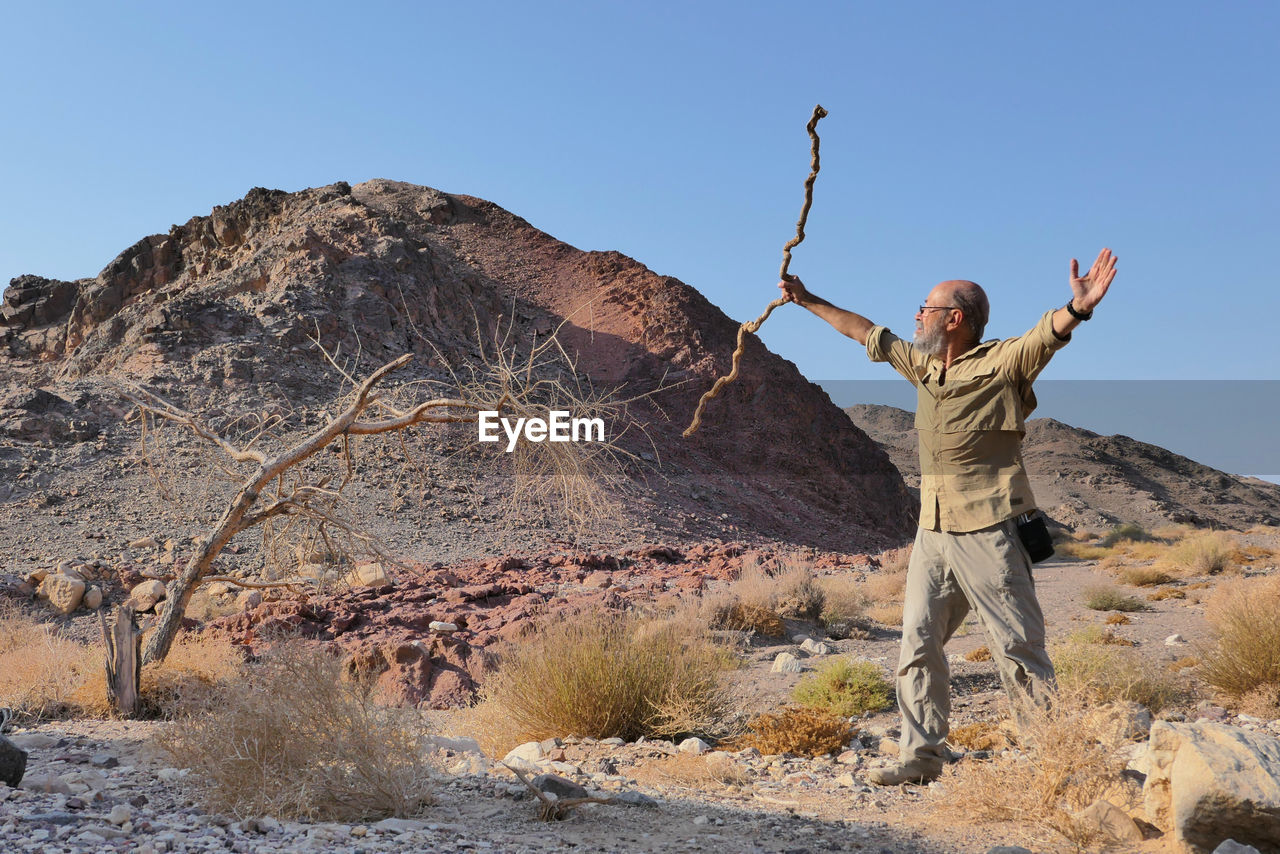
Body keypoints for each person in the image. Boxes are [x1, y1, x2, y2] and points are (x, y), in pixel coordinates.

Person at [778, 248, 1117, 786]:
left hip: (990, 528)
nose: (916, 316)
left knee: (1017, 647)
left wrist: (1076, 309)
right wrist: (807, 300)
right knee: (917, 641)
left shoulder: (1002, 363)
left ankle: (1060, 762)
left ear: (954, 319)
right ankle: (920, 756)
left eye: (925, 308)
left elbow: (1042, 337)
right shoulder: (923, 365)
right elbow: (864, 332)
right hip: (932, 531)